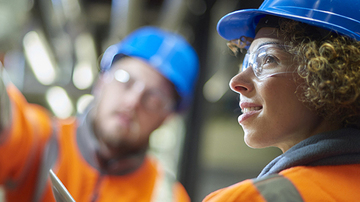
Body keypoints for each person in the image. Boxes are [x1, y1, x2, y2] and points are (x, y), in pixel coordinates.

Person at [0, 26, 199, 201]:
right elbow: (8, 124)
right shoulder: (41, 141)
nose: (132, 102)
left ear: (167, 118)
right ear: (102, 80)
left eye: (154, 99)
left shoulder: (166, 197)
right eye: (125, 80)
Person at [203, 0, 360, 201]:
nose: (236, 82)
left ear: (332, 73)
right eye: (247, 62)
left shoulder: (254, 197)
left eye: (268, 59)